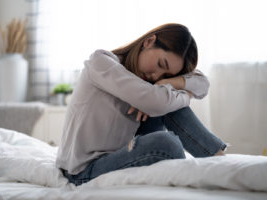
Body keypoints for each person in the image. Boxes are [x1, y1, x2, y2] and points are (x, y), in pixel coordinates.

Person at [56, 23, 227, 186]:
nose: (156, 76)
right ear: (149, 41)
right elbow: (156, 102)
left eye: (166, 74)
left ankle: (218, 160)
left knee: (169, 102)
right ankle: (216, 162)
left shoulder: (147, 84)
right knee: (167, 141)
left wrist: (172, 83)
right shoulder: (101, 62)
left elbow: (203, 84)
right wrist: (186, 95)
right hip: (83, 170)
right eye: (161, 64)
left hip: (121, 151)